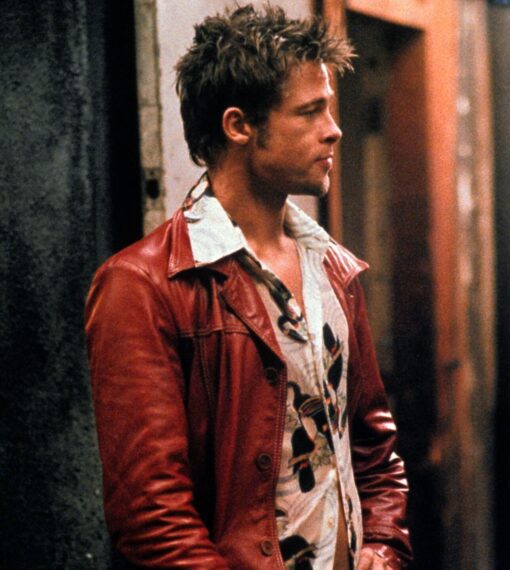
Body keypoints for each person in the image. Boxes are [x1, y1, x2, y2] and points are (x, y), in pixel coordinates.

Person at [85, 6, 410, 569]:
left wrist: (383, 547)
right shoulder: (142, 285)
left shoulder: (333, 268)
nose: (333, 128)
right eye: (310, 111)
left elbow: (373, 449)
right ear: (239, 126)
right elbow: (151, 515)